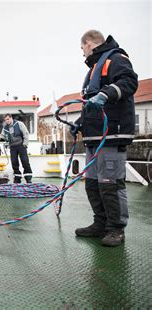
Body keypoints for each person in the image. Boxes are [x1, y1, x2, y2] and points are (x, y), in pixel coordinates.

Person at [71, 30, 138, 246]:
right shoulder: (93, 69)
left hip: (111, 136)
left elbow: (129, 82)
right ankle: (100, 223)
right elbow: (90, 103)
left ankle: (116, 229)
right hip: (93, 137)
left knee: (110, 185)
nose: (82, 53)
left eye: (82, 48)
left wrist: (106, 94)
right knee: (92, 184)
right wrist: (79, 124)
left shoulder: (116, 59)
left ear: (89, 44)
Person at [0, 113, 32, 183]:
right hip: (12, 147)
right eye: (5, 120)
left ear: (11, 118)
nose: (7, 121)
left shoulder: (19, 124)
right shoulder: (5, 128)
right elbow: (3, 137)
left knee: (25, 161)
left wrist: (25, 144)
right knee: (14, 163)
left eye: (8, 119)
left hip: (21, 145)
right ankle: (17, 177)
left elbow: (26, 133)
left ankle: (28, 177)